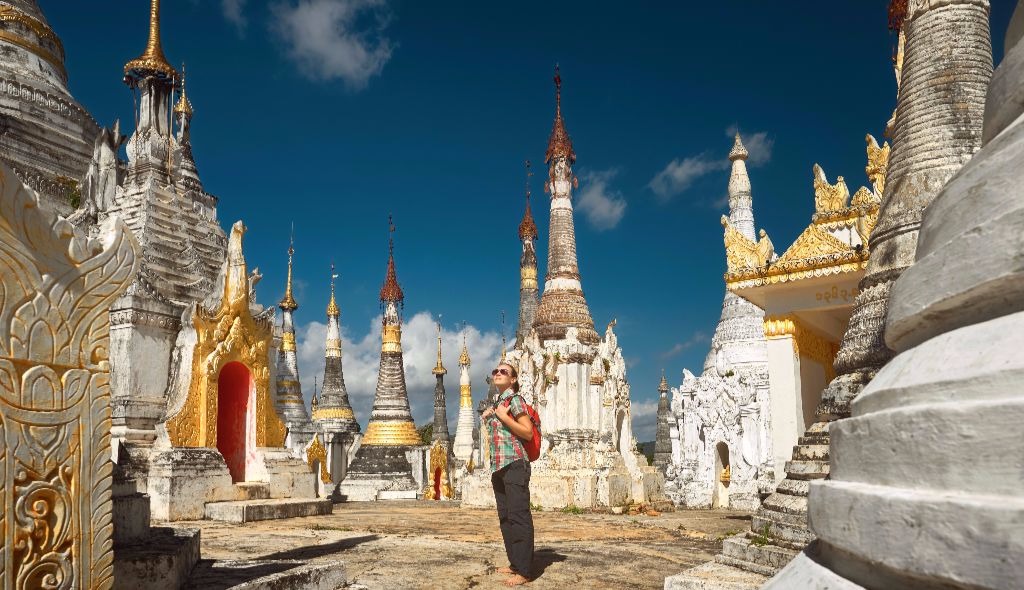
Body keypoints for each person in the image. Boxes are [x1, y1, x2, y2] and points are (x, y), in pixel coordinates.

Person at [481, 362, 534, 586]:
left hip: (515, 464)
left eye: (504, 371)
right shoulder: (499, 403)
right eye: (495, 371)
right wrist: (490, 415)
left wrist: (503, 417)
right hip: (499, 466)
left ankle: (525, 570)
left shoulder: (515, 401)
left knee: (519, 515)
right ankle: (514, 563)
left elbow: (528, 433)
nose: (498, 373)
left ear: (513, 379)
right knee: (505, 517)